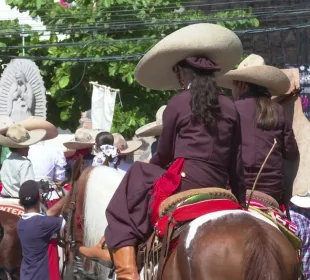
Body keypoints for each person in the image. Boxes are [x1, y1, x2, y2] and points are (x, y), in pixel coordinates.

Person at [79, 23, 245, 279]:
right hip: (219, 183)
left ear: (182, 72)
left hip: (186, 181)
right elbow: (236, 161)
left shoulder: (178, 102)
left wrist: (152, 166)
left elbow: (165, 153)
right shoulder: (231, 106)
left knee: (136, 176)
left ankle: (126, 270)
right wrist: (241, 203)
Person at [217, 54, 299, 205]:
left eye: (234, 84)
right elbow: (291, 153)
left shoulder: (229, 110)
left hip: (234, 189)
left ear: (242, 85)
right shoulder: (278, 111)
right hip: (272, 191)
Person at [17, 180, 66, 280]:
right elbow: (66, 222)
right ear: (40, 197)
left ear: (20, 202)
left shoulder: (20, 223)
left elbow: (44, 216)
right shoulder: (44, 223)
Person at [0, 124, 46, 198]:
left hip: (4, 199)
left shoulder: (6, 162)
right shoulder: (25, 163)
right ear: (21, 148)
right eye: (26, 146)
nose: (28, 148)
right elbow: (28, 187)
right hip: (19, 200)